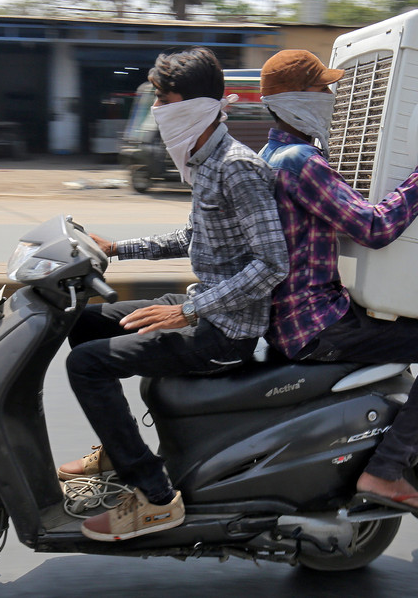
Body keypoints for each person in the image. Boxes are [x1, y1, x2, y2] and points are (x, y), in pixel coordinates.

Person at [61, 47, 289, 542]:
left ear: (188, 106)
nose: (157, 112)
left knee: (85, 366)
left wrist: (186, 312)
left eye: (163, 101)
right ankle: (118, 450)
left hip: (224, 334)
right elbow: (193, 237)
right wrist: (118, 247)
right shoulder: (205, 162)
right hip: (202, 307)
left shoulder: (236, 168)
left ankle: (156, 497)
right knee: (83, 322)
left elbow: (272, 264)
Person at [257, 49, 418, 526]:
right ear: (295, 100)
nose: (331, 98)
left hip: (289, 318)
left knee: (397, 322)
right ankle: (386, 469)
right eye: (322, 90)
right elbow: (375, 228)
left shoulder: (268, 155)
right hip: (317, 325)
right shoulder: (300, 161)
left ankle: (413, 443)